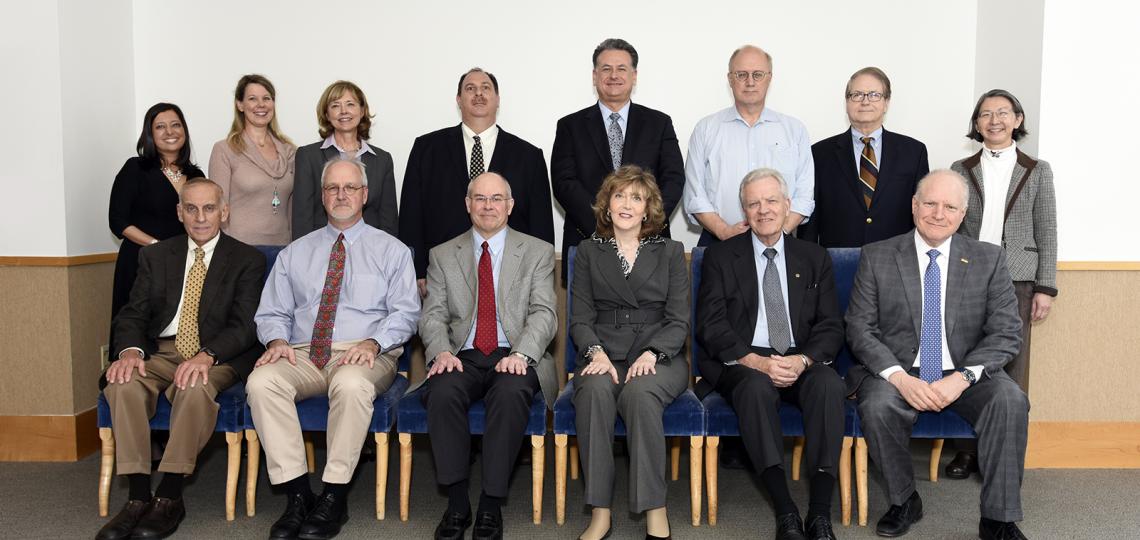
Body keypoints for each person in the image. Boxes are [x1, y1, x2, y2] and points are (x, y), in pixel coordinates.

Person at [845, 170, 1028, 539]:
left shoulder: (988, 259)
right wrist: (899, 377)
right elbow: (859, 328)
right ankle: (904, 500)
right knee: (878, 405)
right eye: (929, 203)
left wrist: (962, 379)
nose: (938, 213)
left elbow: (1007, 332)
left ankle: (998, 519)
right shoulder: (878, 256)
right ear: (914, 207)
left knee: (1010, 400)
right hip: (899, 370)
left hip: (965, 371)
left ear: (963, 214)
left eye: (949, 206)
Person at [247, 157, 420, 540]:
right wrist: (276, 340)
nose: (341, 195)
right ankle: (297, 495)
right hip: (304, 352)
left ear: (365, 194)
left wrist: (374, 342)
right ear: (322, 196)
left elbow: (407, 313)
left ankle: (334, 495)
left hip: (367, 352)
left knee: (352, 384)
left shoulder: (392, 251)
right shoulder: (295, 252)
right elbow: (271, 310)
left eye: (350, 188)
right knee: (261, 382)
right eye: (332, 189)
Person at [97, 178, 265, 540]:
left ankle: (170, 495)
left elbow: (246, 325)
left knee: (194, 386)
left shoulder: (247, 259)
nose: (200, 217)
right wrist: (129, 351)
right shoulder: (156, 255)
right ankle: (138, 498)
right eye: (191, 208)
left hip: (217, 354)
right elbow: (132, 314)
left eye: (209, 208)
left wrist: (207, 355)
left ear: (224, 211)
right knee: (123, 382)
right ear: (179, 213)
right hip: (161, 351)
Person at [695, 169, 846, 540]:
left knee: (828, 385)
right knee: (755, 389)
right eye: (754, 203)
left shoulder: (814, 257)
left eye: (771, 201)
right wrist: (757, 362)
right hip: (745, 360)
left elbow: (831, 325)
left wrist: (803, 360)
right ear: (745, 211)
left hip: (799, 357)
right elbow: (711, 325)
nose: (763, 210)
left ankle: (820, 513)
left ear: (787, 205)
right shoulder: (720, 256)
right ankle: (785, 510)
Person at [417, 172, 558, 540]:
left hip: (513, 351)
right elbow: (432, 315)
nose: (488, 206)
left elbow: (544, 312)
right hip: (461, 353)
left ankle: (491, 505)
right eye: (480, 198)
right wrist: (441, 352)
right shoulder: (443, 253)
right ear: (468, 205)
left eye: (497, 199)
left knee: (511, 394)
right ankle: (458, 503)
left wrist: (524, 353)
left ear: (510, 206)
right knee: (442, 392)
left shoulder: (538, 251)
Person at [943, 89, 1057, 481]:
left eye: (1003, 113)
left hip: (1018, 277)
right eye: (986, 114)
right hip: (968, 275)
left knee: (1012, 365)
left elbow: (1047, 228)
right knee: (966, 359)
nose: (994, 120)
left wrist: (1046, 286)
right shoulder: (960, 168)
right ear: (977, 124)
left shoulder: (1037, 169)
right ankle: (966, 451)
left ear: (1018, 119)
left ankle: (1004, 456)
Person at [570, 166, 689, 540]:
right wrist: (596, 353)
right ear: (606, 205)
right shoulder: (588, 251)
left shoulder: (670, 251)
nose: (626, 204)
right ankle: (600, 512)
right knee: (593, 392)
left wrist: (653, 352)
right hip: (603, 351)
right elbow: (580, 317)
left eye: (636, 198)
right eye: (619, 196)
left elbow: (679, 319)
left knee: (640, 394)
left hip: (659, 355)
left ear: (647, 208)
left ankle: (655, 508)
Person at [399, 68, 554, 295]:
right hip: (442, 274)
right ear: (459, 100)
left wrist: (538, 275)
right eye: (470, 89)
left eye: (486, 88)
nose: (478, 94)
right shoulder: (427, 149)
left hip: (511, 276)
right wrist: (416, 269)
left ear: (497, 100)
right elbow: (411, 213)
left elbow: (540, 224)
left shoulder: (528, 156)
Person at [552, 38, 685, 282]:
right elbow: (564, 182)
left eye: (621, 69)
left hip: (649, 245)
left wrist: (641, 226)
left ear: (634, 76)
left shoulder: (659, 124)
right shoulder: (570, 126)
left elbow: (674, 179)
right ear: (594, 76)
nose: (614, 75)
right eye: (606, 69)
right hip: (588, 243)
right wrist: (605, 226)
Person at [685, 45, 814, 247]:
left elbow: (805, 195)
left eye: (758, 74)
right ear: (730, 79)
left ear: (769, 78)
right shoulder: (706, 129)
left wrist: (779, 232)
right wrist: (724, 232)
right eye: (741, 74)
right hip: (719, 242)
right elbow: (695, 194)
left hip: (782, 244)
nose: (750, 82)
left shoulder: (794, 130)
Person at [799, 67, 929, 247]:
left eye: (874, 94)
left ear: (886, 103)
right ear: (846, 102)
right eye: (857, 94)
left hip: (895, 260)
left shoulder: (914, 152)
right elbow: (811, 217)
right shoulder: (819, 153)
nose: (865, 101)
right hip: (838, 261)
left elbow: (922, 211)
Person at [108, 103, 205, 329]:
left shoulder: (196, 175)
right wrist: (156, 247)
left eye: (176, 125)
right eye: (160, 126)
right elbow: (118, 221)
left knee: (177, 329)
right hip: (141, 261)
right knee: (135, 330)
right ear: (150, 134)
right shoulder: (136, 168)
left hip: (183, 264)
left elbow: (202, 220)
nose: (170, 132)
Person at [293, 80, 398, 238]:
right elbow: (302, 218)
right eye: (335, 105)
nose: (344, 111)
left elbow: (388, 220)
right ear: (327, 114)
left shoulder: (382, 160)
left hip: (370, 251)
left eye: (350, 104)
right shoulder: (308, 156)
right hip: (322, 250)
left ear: (362, 111)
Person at [209, 73, 297, 247]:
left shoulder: (289, 151)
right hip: (241, 250)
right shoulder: (224, 150)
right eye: (252, 99)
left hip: (284, 248)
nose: (261, 105)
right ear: (240, 105)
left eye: (267, 98)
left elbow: (293, 207)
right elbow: (218, 207)